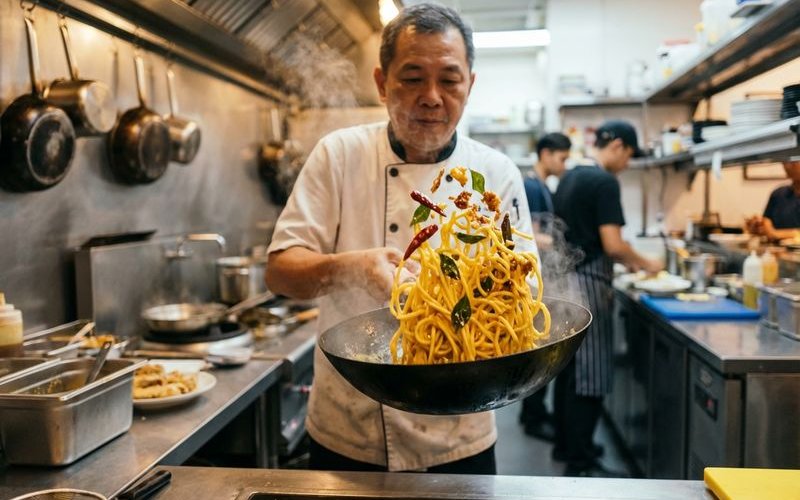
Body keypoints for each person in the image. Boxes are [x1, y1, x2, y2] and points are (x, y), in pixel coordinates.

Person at [265, 3, 536, 474]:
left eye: (449, 79)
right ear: (381, 83)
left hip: (461, 432)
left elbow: (527, 291)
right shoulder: (339, 155)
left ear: (470, 85)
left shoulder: (496, 173)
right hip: (349, 428)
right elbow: (280, 271)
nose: (431, 97)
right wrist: (349, 267)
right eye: (412, 78)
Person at [551, 120, 662, 477]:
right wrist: (650, 265)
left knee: (569, 373)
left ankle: (567, 446)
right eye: (628, 155)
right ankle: (580, 462)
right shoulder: (603, 182)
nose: (627, 163)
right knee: (592, 375)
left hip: (562, 285)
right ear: (616, 146)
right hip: (587, 287)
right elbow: (613, 245)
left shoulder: (570, 176)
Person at [518, 132, 571, 440]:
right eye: (562, 158)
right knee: (537, 349)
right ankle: (533, 417)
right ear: (546, 153)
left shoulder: (541, 186)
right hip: (537, 279)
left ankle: (537, 413)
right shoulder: (531, 187)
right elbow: (530, 235)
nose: (564, 165)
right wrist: (562, 244)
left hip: (544, 277)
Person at [745, 159, 800, 241]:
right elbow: (767, 226)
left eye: (793, 161)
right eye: (785, 161)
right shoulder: (778, 194)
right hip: (777, 252)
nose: (787, 166)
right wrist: (758, 226)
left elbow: (772, 232)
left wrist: (775, 233)